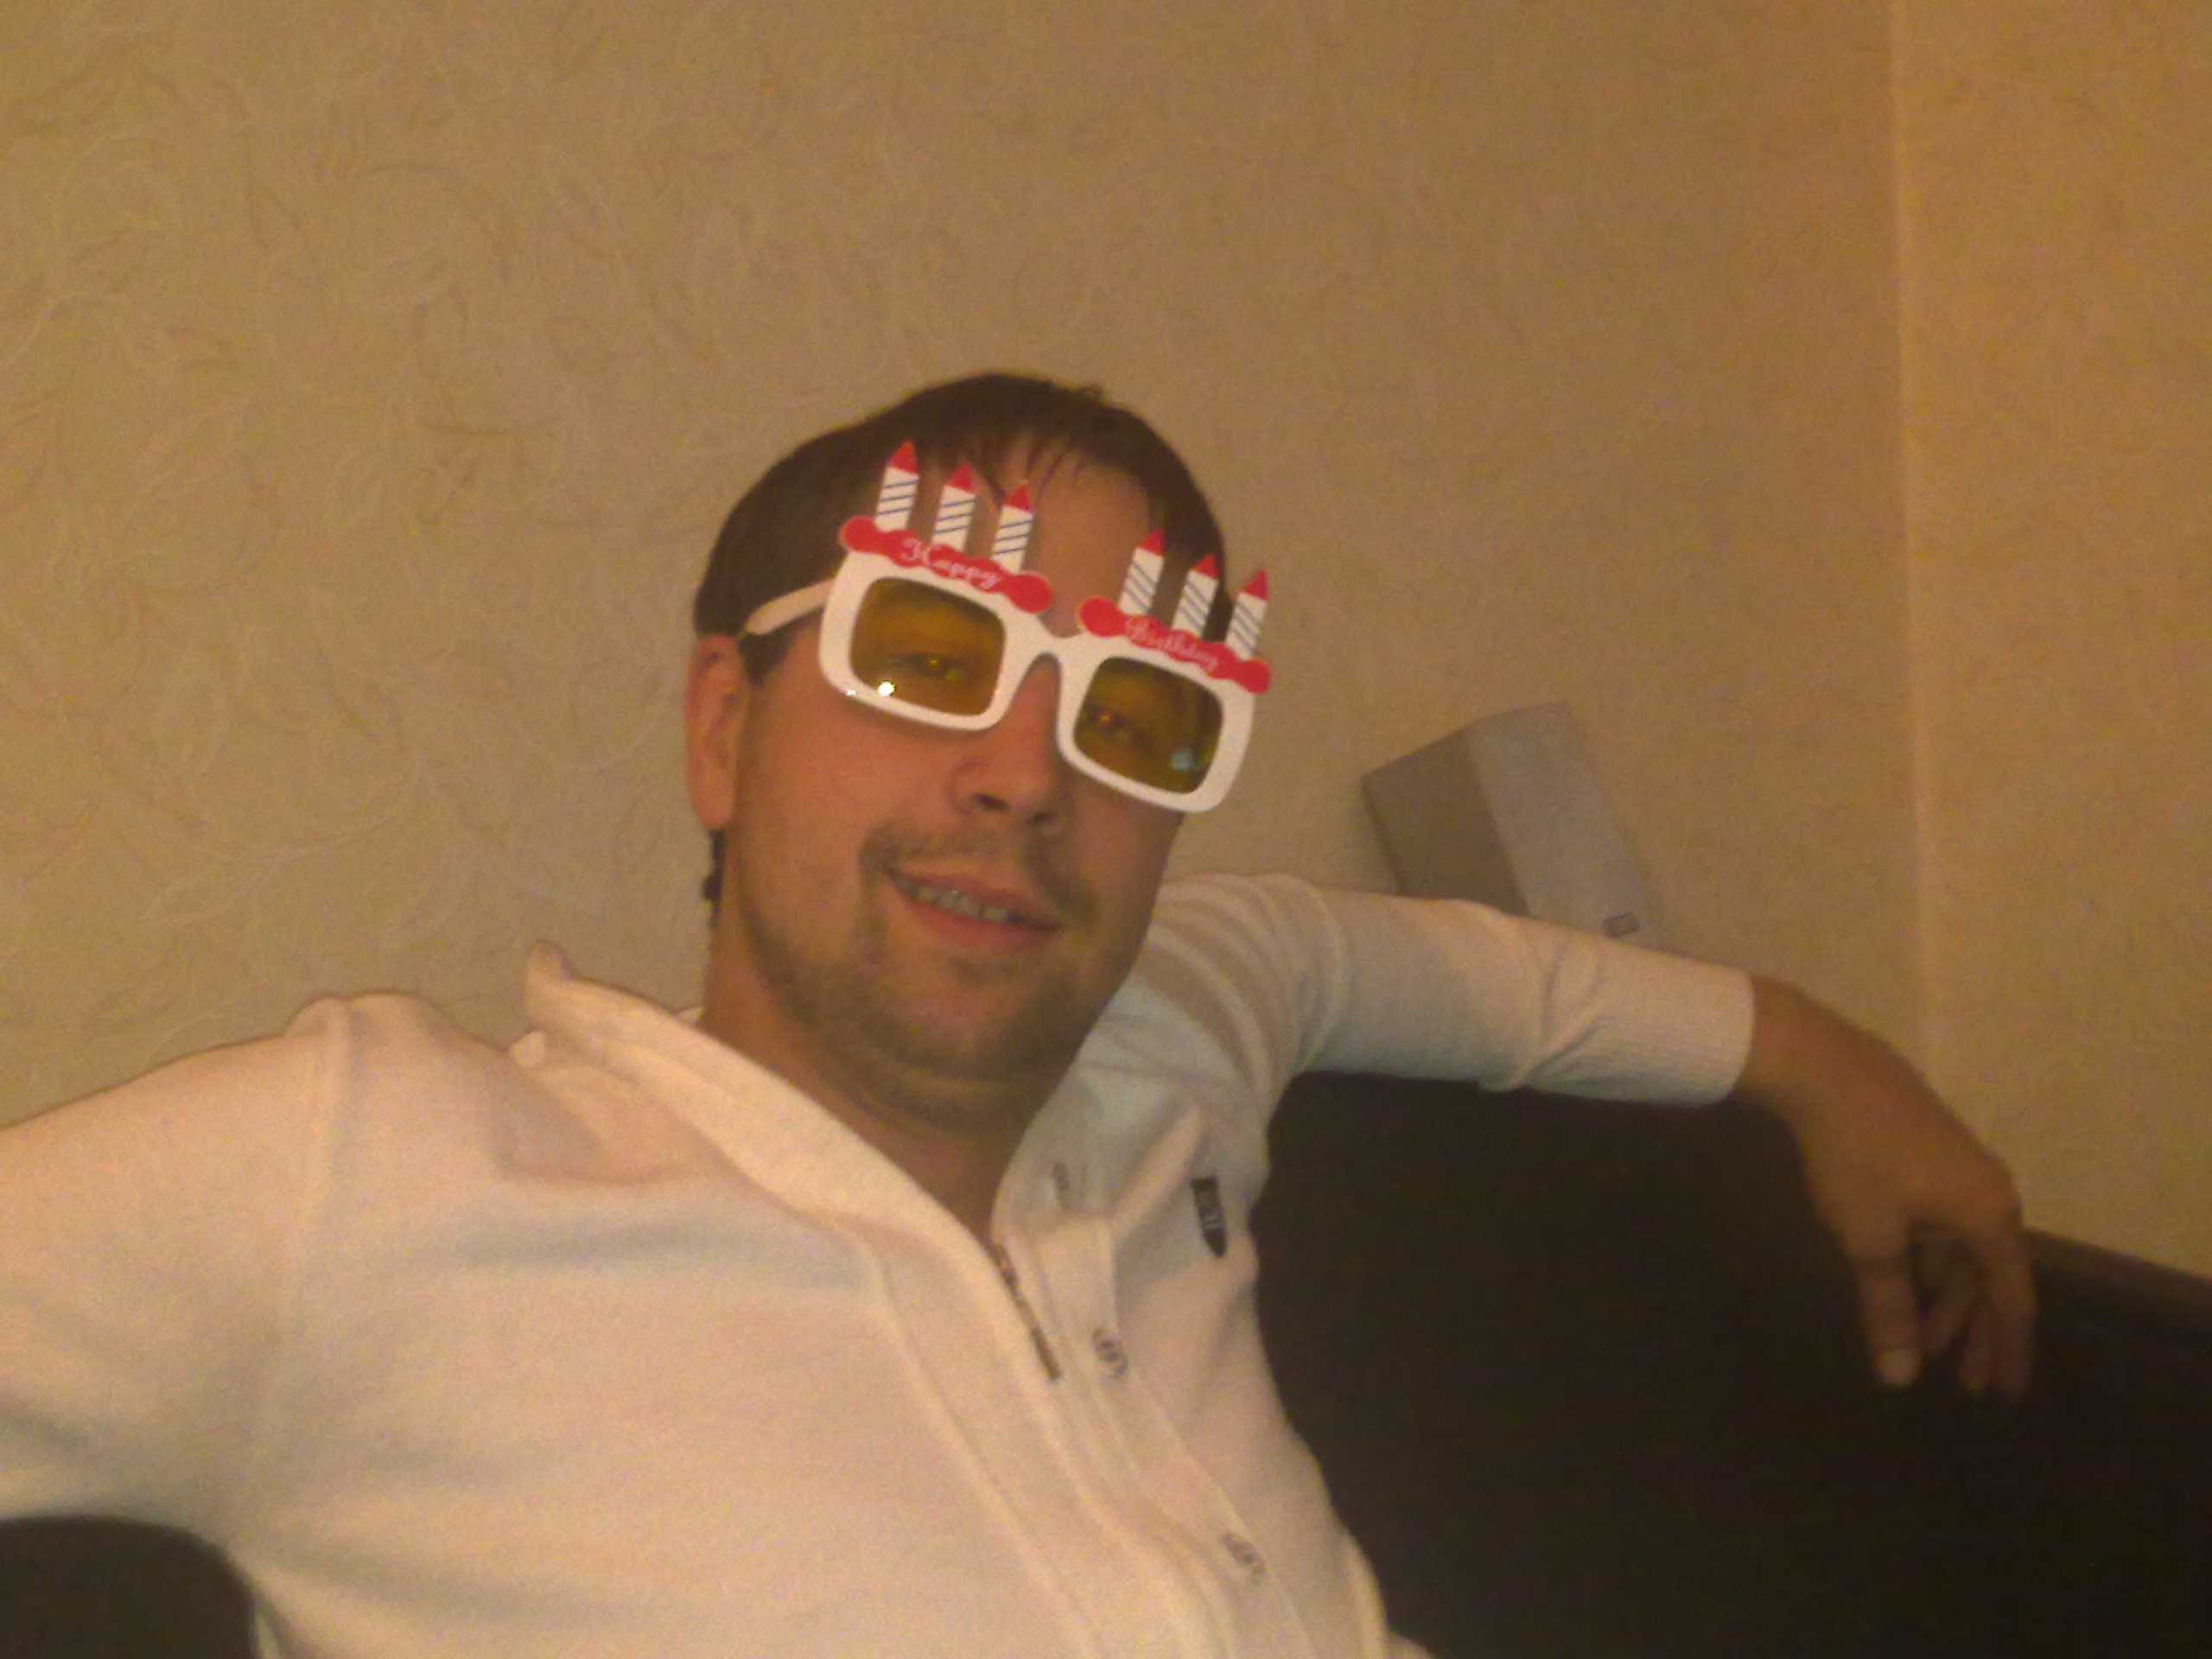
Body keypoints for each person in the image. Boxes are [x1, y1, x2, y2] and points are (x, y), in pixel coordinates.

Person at [0, 373, 2030, 1657]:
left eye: (1133, 717)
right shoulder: (370, 1179)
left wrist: (1826, 1064)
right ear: (722, 729)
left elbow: (1483, 979)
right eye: (924, 654)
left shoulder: (1170, 1027)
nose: (1025, 772)